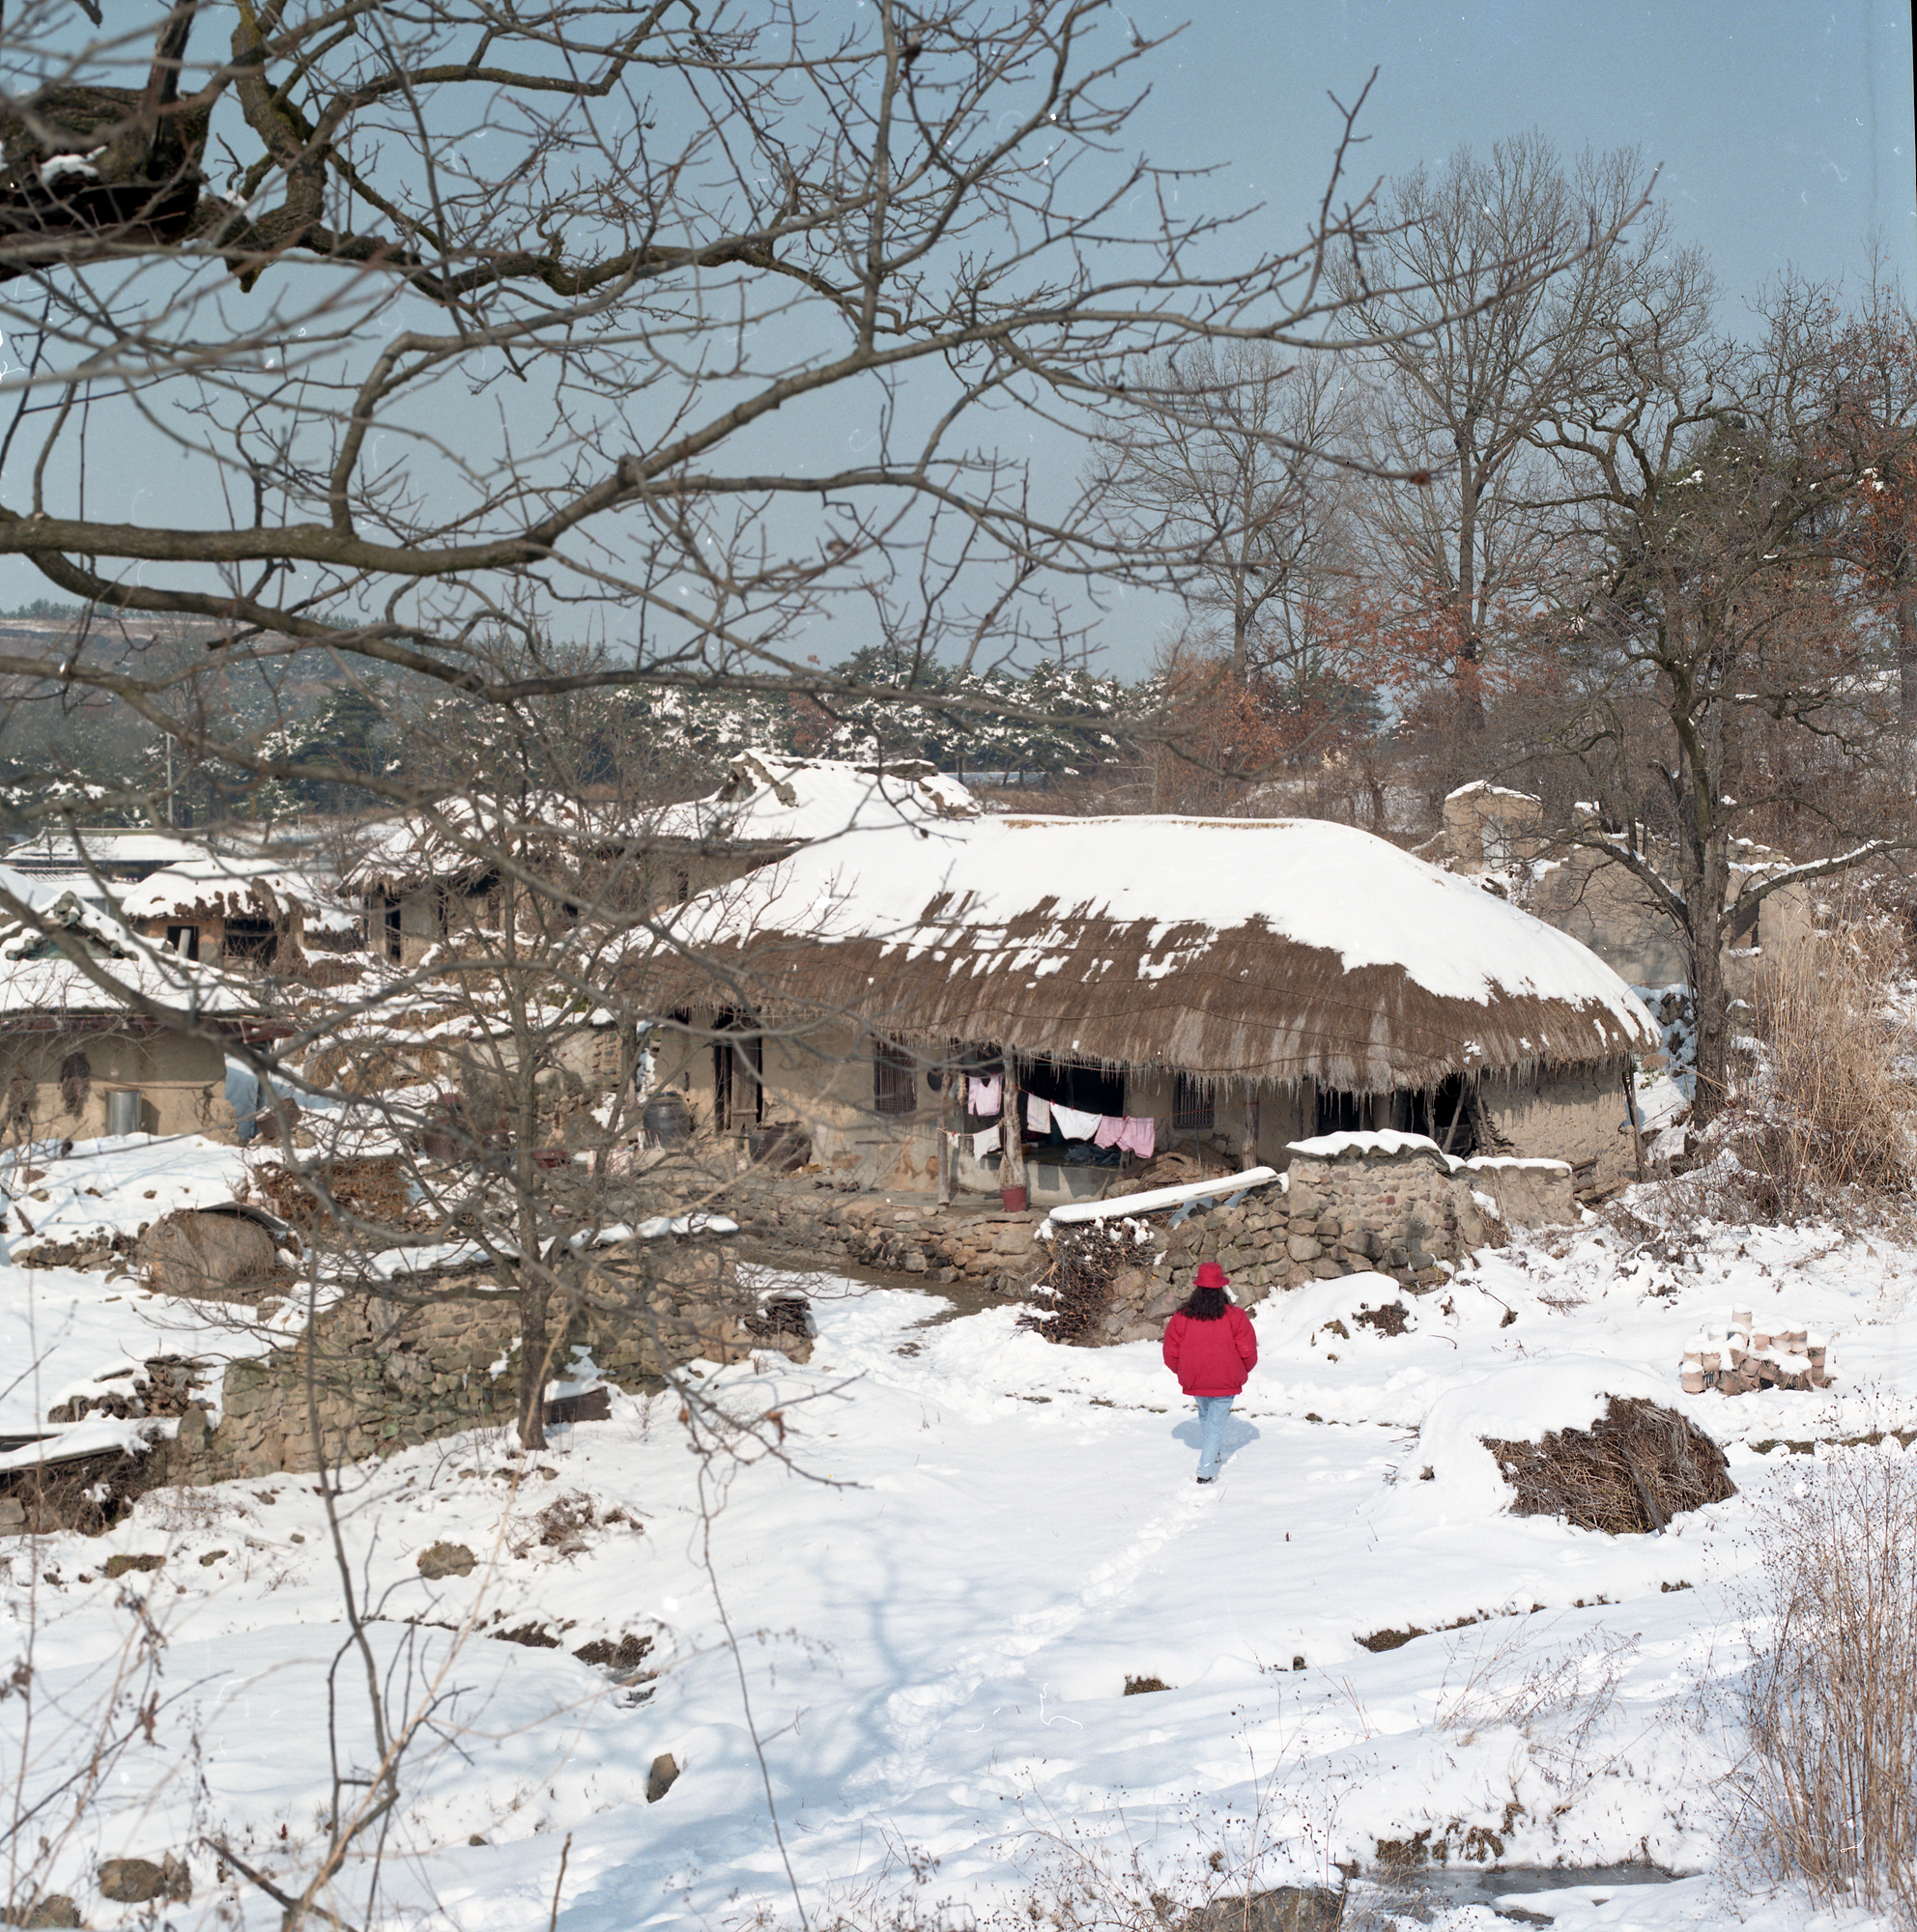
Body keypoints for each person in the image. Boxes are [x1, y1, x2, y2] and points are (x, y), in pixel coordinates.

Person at [1160, 1260, 1257, 1484]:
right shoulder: (1236, 1316)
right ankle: (1205, 1471)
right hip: (1225, 1378)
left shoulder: (1182, 1317)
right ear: (1221, 1288)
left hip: (1195, 1377)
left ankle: (1212, 1453)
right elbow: (1248, 1350)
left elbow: (1170, 1352)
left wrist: (1183, 1370)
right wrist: (1242, 1370)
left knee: (1206, 1415)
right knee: (1214, 1421)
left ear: (1198, 1288)